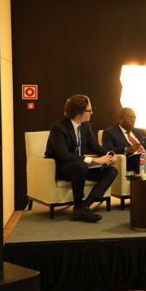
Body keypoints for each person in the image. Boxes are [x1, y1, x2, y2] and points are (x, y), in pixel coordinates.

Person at [45, 94, 118, 222]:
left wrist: (110, 154)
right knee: (81, 165)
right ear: (79, 112)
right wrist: (94, 160)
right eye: (89, 110)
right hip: (63, 168)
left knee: (111, 170)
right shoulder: (58, 128)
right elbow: (64, 156)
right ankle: (78, 205)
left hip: (81, 167)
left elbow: (94, 147)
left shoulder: (85, 125)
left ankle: (83, 207)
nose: (92, 113)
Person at [102, 107, 146, 172]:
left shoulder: (139, 131)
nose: (133, 120)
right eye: (129, 117)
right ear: (120, 118)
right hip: (132, 159)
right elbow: (107, 150)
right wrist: (126, 149)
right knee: (139, 160)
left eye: (134, 117)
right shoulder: (109, 132)